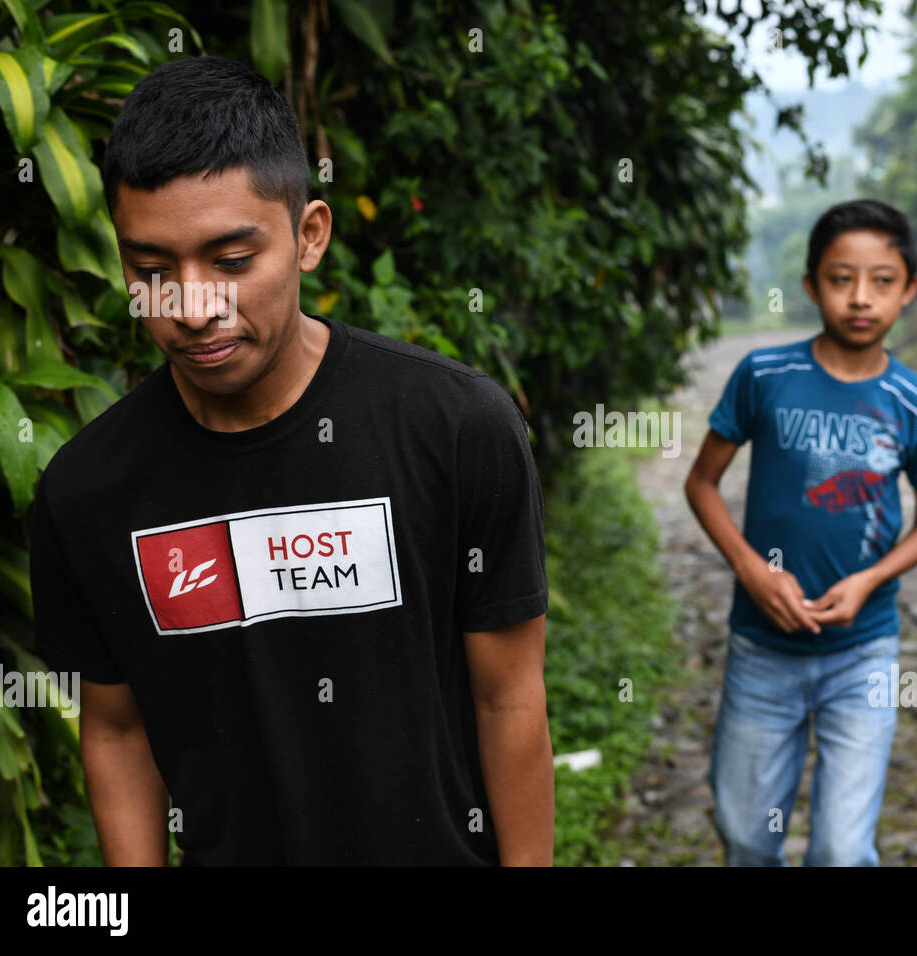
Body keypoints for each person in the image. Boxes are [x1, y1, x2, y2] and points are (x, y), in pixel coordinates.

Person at [29, 56, 553, 866]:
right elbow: (117, 728)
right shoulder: (86, 490)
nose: (194, 307)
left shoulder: (455, 429)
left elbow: (508, 696)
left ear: (310, 235)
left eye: (233, 262)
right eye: (153, 271)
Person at [684, 199, 917, 866]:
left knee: (841, 851)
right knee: (747, 837)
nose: (860, 298)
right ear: (811, 285)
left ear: (909, 290)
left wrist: (868, 580)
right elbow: (701, 485)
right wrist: (752, 569)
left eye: (882, 280)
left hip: (861, 655)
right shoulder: (765, 377)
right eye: (841, 278)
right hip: (761, 652)